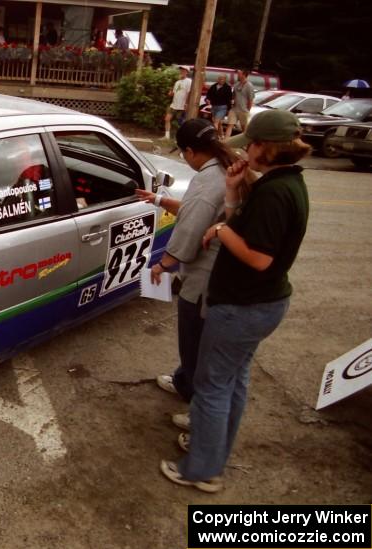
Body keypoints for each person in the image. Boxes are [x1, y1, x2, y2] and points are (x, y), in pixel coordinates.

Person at [160, 109, 311, 493]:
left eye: (252, 144)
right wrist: (232, 194)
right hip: (261, 305)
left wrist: (223, 230)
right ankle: (214, 453)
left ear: (266, 148)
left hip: (243, 306)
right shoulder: (284, 183)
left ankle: (202, 469)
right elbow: (245, 225)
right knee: (233, 381)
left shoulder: (276, 193)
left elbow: (259, 258)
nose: (245, 151)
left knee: (212, 386)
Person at [136, 119, 236, 407]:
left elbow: (192, 226)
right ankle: (184, 381)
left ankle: (195, 398)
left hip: (204, 279)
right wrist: (159, 200)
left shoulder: (208, 179)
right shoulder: (224, 168)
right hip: (218, 275)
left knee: (194, 341)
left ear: (191, 151)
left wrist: (163, 264)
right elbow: (199, 211)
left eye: (182, 153)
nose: (184, 159)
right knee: (200, 342)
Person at [225, 69, 255, 139]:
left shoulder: (249, 86)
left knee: (244, 128)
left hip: (243, 110)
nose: (237, 75)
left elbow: (250, 99)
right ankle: (225, 141)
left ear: (244, 75)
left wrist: (248, 109)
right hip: (234, 109)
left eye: (239, 74)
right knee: (230, 125)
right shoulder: (236, 84)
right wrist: (232, 101)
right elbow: (233, 95)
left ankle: (246, 143)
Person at [164, 65, 191, 140]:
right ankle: (166, 136)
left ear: (187, 72)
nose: (182, 71)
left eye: (184, 70)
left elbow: (189, 93)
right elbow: (173, 93)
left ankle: (181, 138)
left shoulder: (189, 81)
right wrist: (170, 93)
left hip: (182, 105)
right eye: (181, 70)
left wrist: (186, 103)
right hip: (174, 104)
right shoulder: (177, 82)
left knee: (181, 123)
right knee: (167, 119)